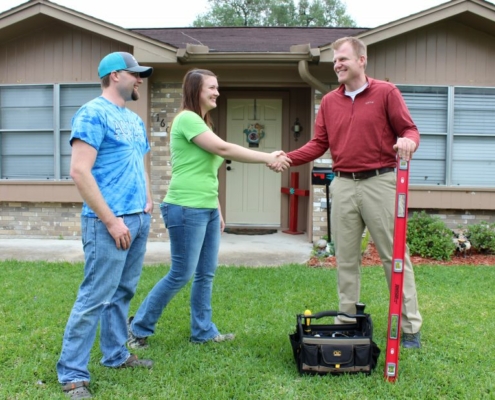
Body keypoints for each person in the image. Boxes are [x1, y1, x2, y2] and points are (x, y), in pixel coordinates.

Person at [270, 37, 422, 348]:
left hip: (380, 181)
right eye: (335, 61)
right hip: (342, 184)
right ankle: (347, 321)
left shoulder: (385, 93)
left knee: (394, 257)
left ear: (361, 60)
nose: (337, 64)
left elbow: (409, 129)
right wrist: (289, 157)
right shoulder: (329, 102)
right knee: (346, 259)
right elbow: (318, 144)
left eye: (343, 59)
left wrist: (409, 142)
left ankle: (409, 328)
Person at [127, 68, 291, 348]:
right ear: (195, 90)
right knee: (181, 273)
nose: (217, 92)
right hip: (185, 207)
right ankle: (138, 328)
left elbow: (207, 172)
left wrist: (217, 209)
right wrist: (267, 157)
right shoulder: (187, 119)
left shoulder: (204, 124)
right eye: (211, 88)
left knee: (206, 272)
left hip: (206, 209)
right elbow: (225, 151)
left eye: (218, 87)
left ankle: (202, 331)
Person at [57, 52, 155, 399]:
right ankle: (72, 375)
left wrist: (147, 197)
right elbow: (79, 171)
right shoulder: (92, 113)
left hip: (137, 218)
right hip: (107, 224)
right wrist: (112, 221)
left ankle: (115, 355)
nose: (139, 79)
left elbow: (140, 161)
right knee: (95, 297)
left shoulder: (132, 119)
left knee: (123, 292)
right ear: (115, 75)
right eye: (134, 74)